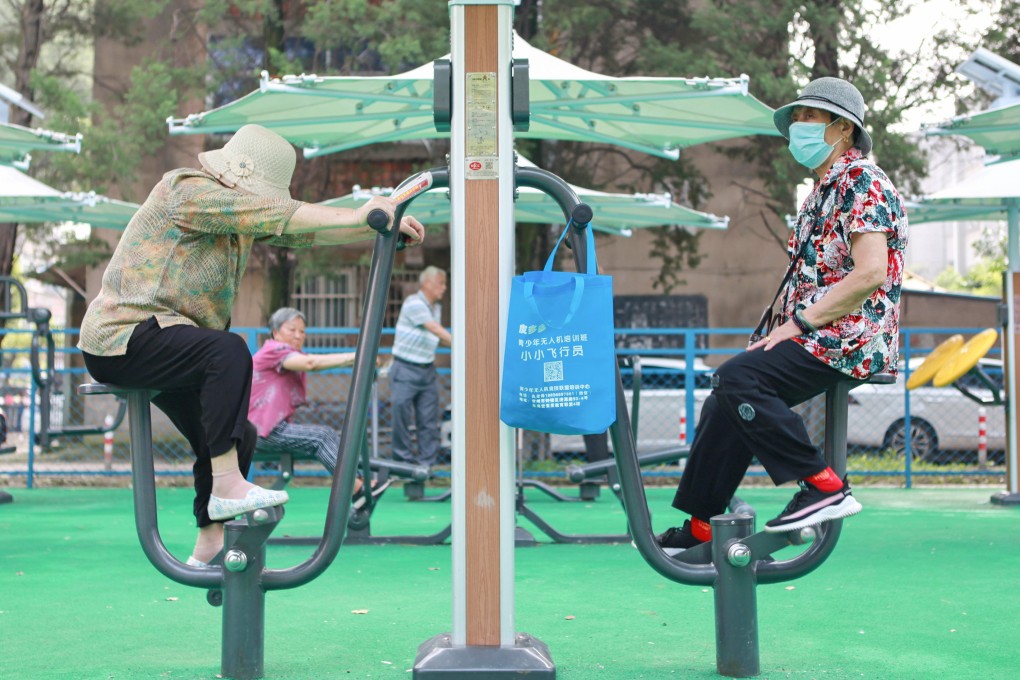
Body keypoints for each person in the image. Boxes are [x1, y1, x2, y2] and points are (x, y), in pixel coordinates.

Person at [78, 124, 424, 566]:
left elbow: (305, 231)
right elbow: (284, 215)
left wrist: (377, 227)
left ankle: (208, 542)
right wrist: (361, 213)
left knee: (239, 434)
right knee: (226, 350)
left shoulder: (238, 221)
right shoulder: (187, 189)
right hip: (122, 335)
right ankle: (226, 486)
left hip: (164, 340)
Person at [657, 77, 907, 555]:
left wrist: (800, 323)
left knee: (738, 380)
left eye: (809, 117)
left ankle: (824, 486)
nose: (798, 127)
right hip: (820, 332)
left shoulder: (862, 181)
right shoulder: (820, 191)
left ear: (843, 129)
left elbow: (872, 272)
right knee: (725, 393)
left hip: (850, 336)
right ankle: (702, 527)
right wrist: (780, 324)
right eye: (796, 119)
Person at [248, 307, 390, 507]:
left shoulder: (285, 353)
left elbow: (312, 361)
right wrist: (358, 355)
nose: (298, 336)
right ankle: (357, 490)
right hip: (263, 433)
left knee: (328, 435)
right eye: (292, 330)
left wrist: (355, 359)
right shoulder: (274, 351)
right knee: (322, 436)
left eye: (302, 331)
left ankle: (359, 485)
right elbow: (311, 363)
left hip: (267, 430)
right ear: (276, 332)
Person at [390, 266, 452, 468]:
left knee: (428, 421)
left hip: (427, 369)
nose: (444, 287)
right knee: (401, 417)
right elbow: (434, 329)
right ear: (427, 283)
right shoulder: (414, 303)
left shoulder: (436, 308)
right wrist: (463, 345)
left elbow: (439, 336)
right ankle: (404, 463)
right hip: (405, 367)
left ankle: (426, 466)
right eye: (440, 283)